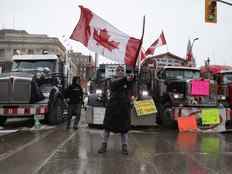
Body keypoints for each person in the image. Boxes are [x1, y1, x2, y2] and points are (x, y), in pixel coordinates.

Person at [98, 65, 135, 155]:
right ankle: (104, 145)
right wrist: (126, 79)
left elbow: (131, 85)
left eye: (122, 70)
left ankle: (124, 146)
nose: (120, 71)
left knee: (124, 128)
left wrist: (133, 77)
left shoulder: (126, 80)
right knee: (107, 127)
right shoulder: (112, 80)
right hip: (113, 107)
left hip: (124, 107)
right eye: (118, 70)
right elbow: (115, 84)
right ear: (116, 72)